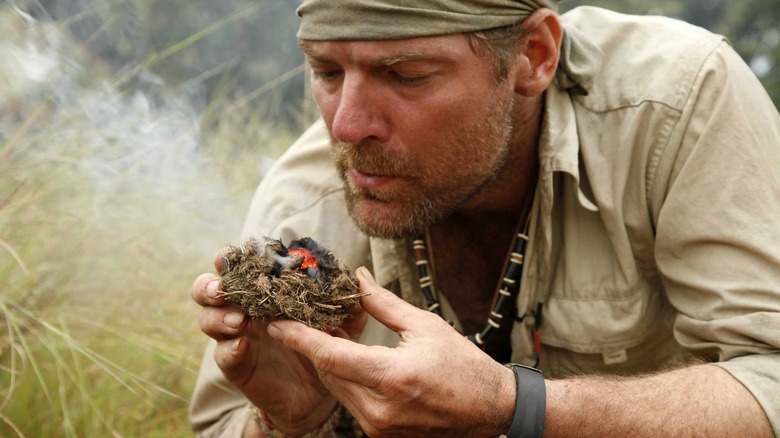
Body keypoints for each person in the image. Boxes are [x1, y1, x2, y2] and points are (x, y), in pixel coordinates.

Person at [189, 0, 780, 436]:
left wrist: (511, 403)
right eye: (327, 73)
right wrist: (297, 420)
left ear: (534, 56)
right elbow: (220, 424)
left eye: (406, 75)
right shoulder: (303, 209)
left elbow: (770, 383)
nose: (346, 126)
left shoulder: (675, 110)